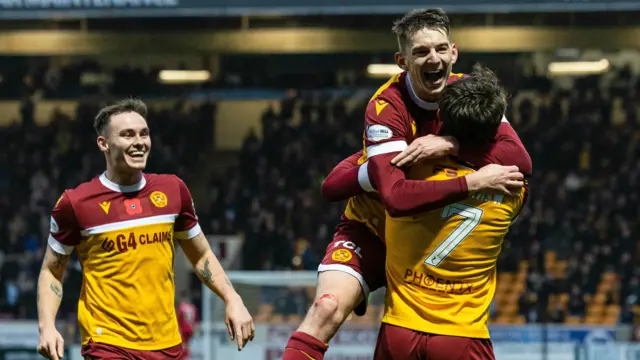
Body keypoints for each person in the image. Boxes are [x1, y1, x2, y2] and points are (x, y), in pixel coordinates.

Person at [282, 8, 531, 360]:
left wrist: (450, 144)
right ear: (402, 61)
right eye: (421, 52)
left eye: (441, 49)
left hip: (424, 232)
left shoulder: (469, 97)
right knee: (326, 307)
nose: (434, 59)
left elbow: (521, 160)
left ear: (454, 52)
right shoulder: (386, 105)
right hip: (374, 226)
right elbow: (384, 194)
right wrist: (471, 178)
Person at [36, 99, 254, 360]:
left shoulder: (173, 191)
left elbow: (201, 255)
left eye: (144, 133)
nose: (139, 142)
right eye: (127, 135)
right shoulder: (75, 203)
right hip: (107, 342)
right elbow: (52, 270)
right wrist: (47, 327)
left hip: (167, 342)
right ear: (103, 144)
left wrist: (233, 298)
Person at [375, 64, 527, 360]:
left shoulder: (410, 171)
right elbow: (521, 159)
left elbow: (333, 185)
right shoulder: (515, 189)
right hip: (463, 335)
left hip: (399, 331)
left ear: (441, 118)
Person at [177, 291, 200, 359]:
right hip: (190, 329)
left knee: (183, 346)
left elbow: (178, 319)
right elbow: (196, 320)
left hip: (183, 329)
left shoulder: (181, 307)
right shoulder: (193, 307)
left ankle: (184, 357)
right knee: (188, 346)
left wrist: (179, 330)